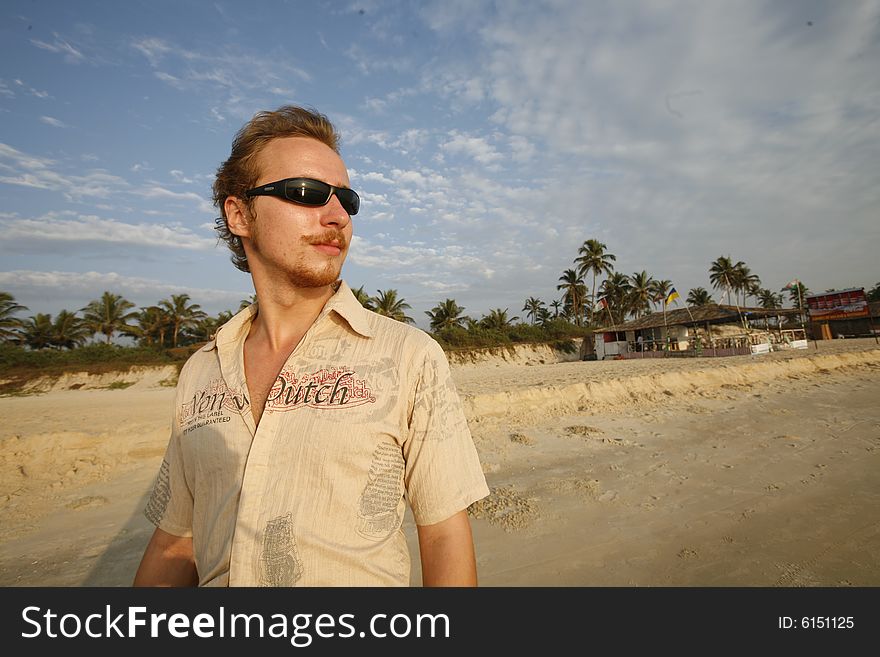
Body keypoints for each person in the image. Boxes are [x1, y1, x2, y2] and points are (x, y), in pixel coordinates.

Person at [134, 105, 489, 587]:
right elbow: (176, 541)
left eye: (347, 199)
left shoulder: (408, 357)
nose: (338, 216)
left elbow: (444, 535)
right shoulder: (201, 370)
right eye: (306, 193)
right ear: (239, 214)